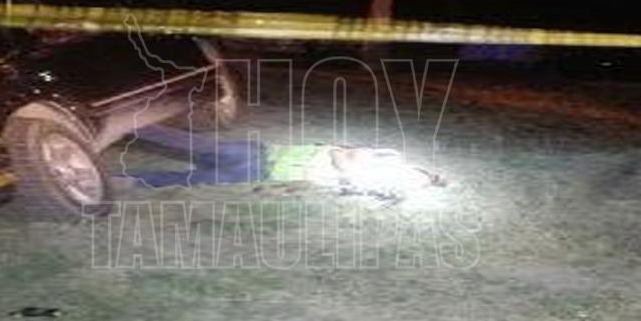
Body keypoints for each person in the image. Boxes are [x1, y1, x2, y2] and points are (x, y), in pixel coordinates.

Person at [120, 125, 444, 201]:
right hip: (262, 154)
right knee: (197, 146)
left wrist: (280, 191)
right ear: (417, 170)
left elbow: (310, 185)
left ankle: (126, 179)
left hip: (260, 172)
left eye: (415, 185)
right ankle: (130, 125)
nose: (410, 180)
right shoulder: (386, 158)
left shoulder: (363, 187)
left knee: (193, 180)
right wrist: (352, 175)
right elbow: (340, 153)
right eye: (417, 177)